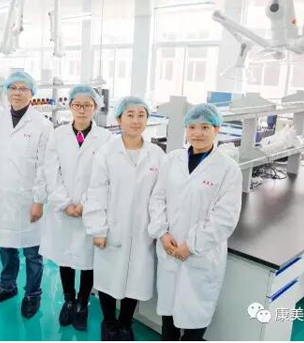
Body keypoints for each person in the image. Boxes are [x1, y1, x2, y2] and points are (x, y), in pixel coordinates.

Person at [148, 103, 242, 341]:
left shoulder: (228, 169)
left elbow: (225, 218)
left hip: (200, 254)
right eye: (192, 127)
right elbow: (157, 199)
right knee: (168, 313)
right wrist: (162, 233)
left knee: (195, 317)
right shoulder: (172, 160)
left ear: (216, 129)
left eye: (205, 127)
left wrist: (191, 245)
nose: (197, 133)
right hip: (169, 247)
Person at [85, 96, 165, 341]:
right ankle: (109, 322)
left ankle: (125, 323)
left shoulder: (156, 154)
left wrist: (158, 228)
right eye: (130, 115)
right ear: (119, 119)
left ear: (147, 120)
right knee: (108, 278)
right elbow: (96, 191)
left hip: (142, 230)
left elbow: (161, 195)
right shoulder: (107, 152)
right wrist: (98, 229)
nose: (136, 120)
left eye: (141, 115)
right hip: (112, 228)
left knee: (136, 279)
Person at [39, 85, 111, 330]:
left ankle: (82, 302)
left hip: (91, 209)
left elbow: (105, 176)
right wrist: (65, 202)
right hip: (64, 209)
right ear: (70, 106)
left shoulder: (106, 138)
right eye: (77, 105)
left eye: (87, 105)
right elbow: (51, 171)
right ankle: (68, 300)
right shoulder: (58, 135)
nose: (82, 110)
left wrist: (86, 205)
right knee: (66, 257)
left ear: (95, 107)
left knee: (88, 260)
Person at [0, 71, 53, 319]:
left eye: (23, 88)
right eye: (13, 88)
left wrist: (39, 201)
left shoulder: (42, 125)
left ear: (32, 93)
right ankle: (7, 285)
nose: (17, 93)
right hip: (4, 195)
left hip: (28, 197)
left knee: (33, 252)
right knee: (7, 245)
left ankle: (33, 293)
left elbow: (45, 167)